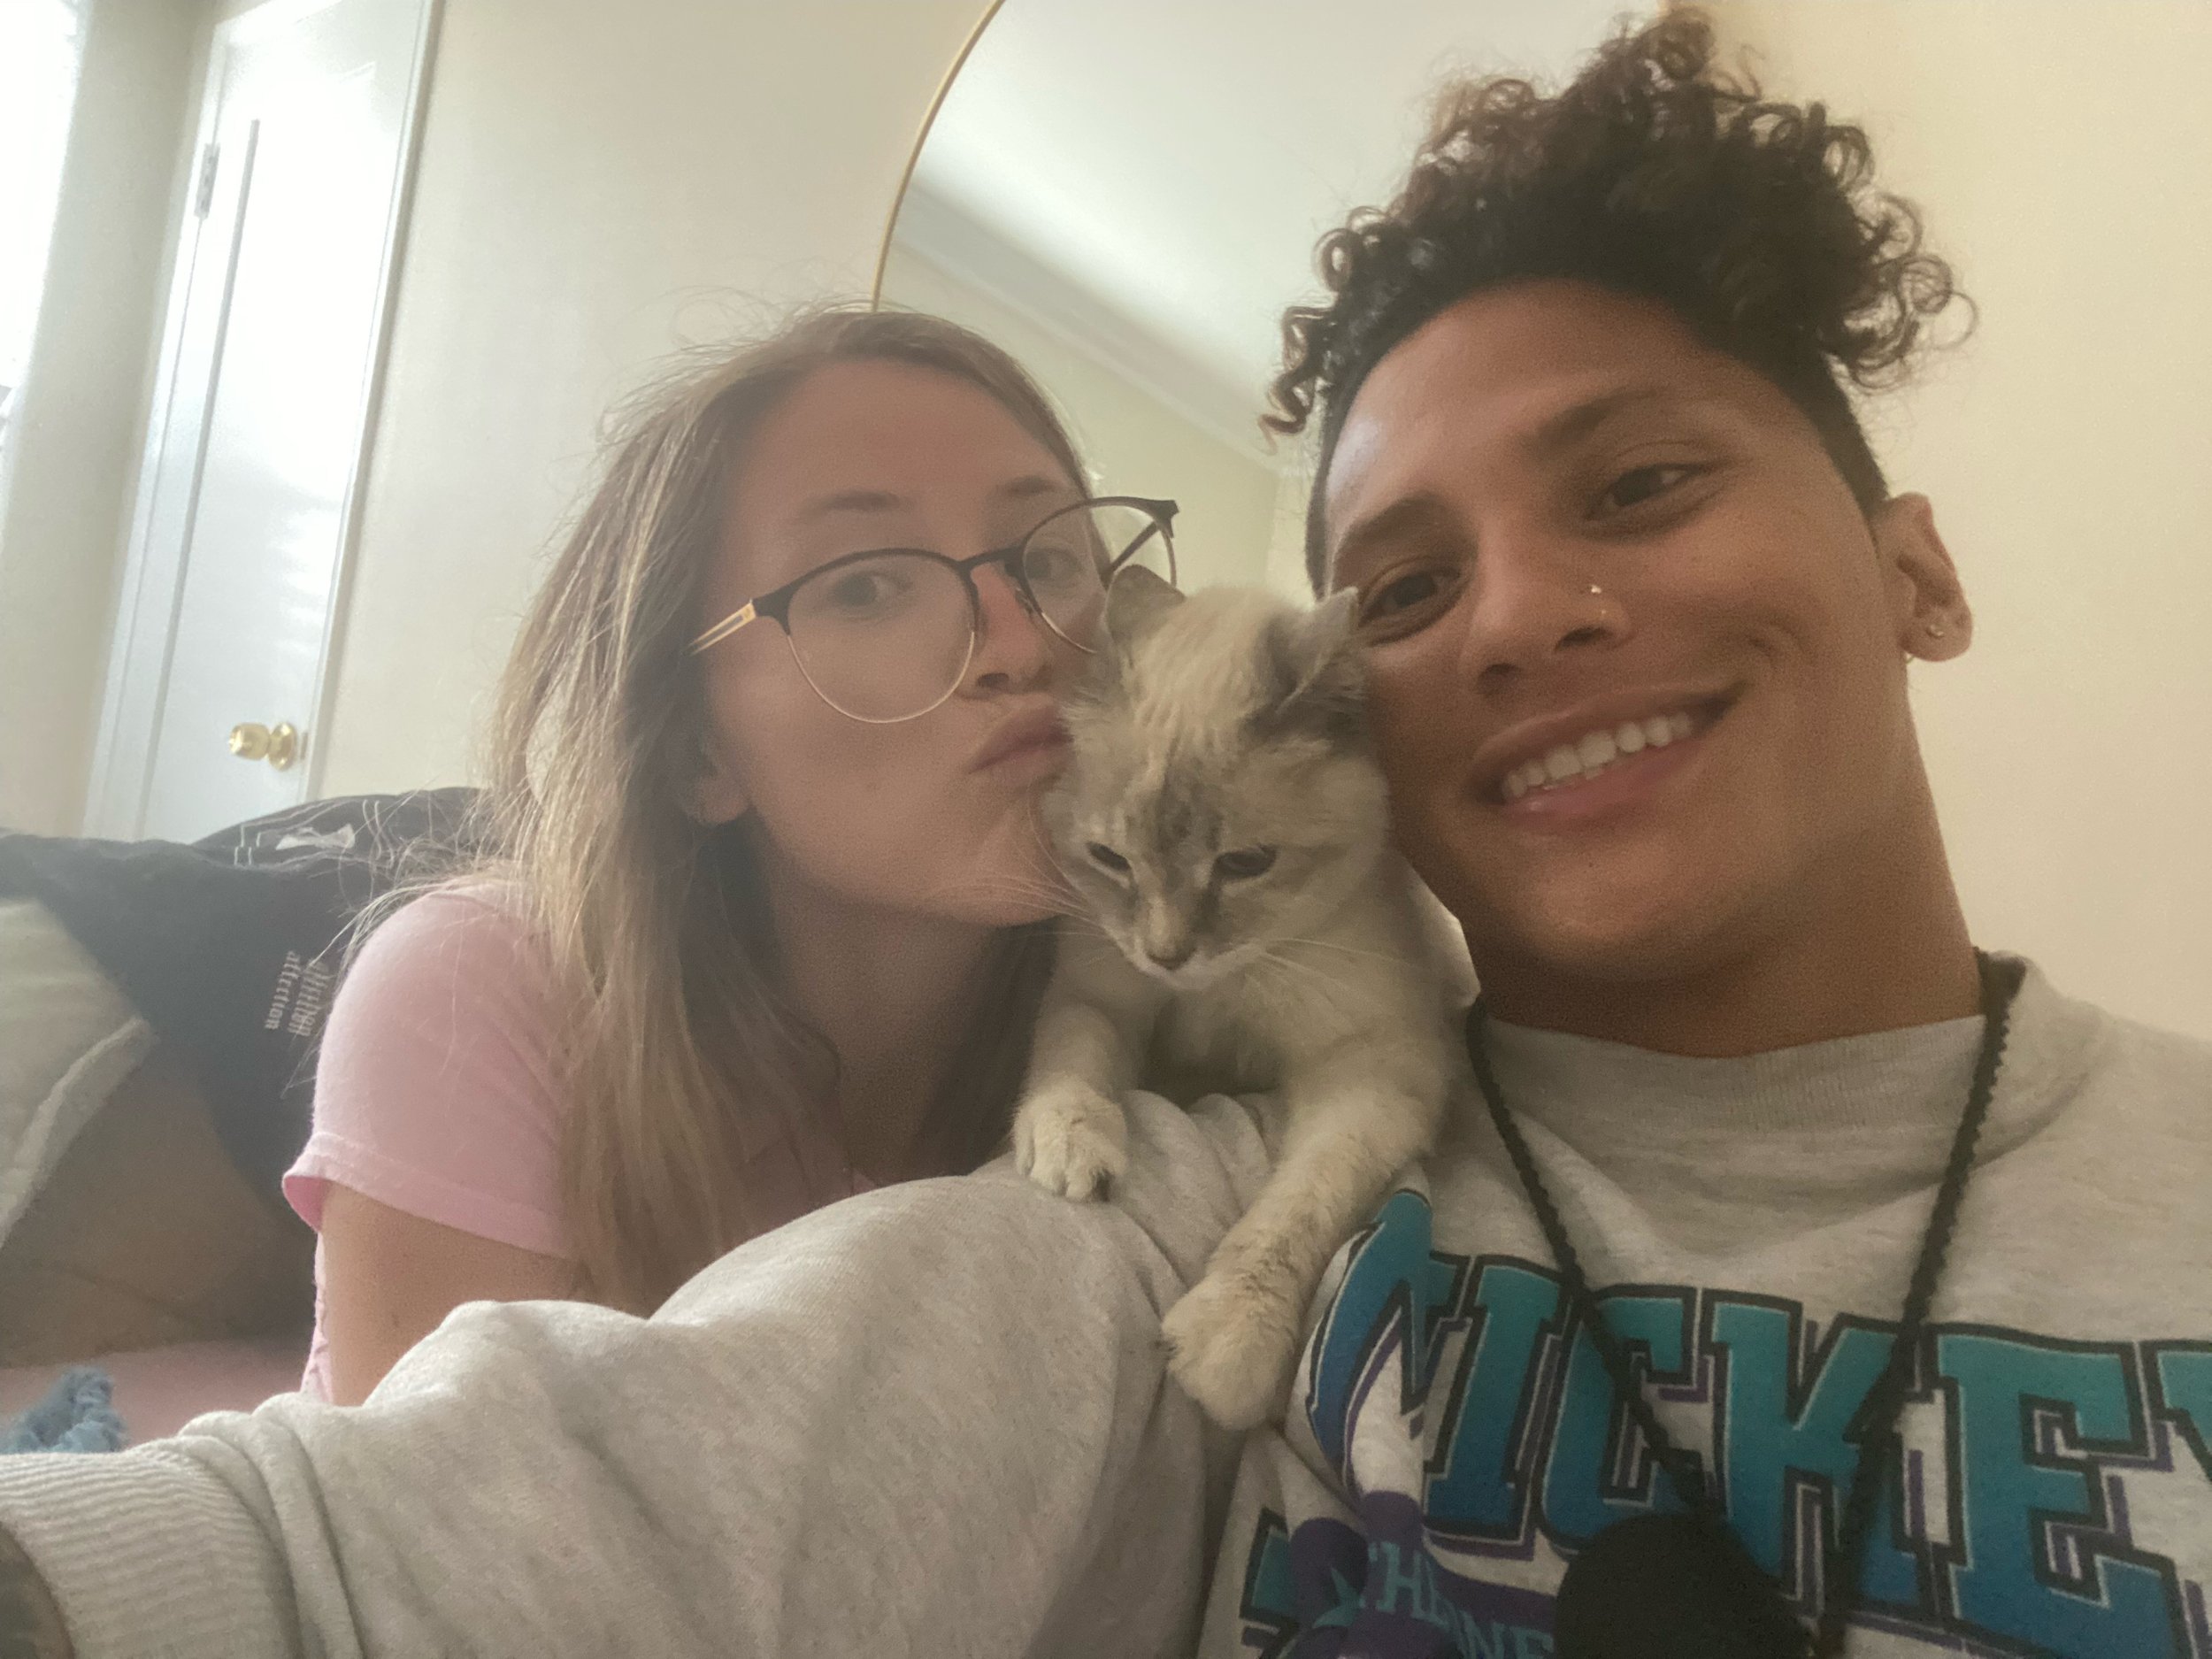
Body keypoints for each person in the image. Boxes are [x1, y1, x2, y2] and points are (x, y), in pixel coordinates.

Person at [3, 14, 2208, 1656]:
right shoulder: (1194, 1175)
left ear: (1917, 568)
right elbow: (464, 1520)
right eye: (1412, 587)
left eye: (1636, 484)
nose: (1528, 612)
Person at [284, 308, 1177, 1402]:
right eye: (864, 584)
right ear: (697, 751)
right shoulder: (487, 994)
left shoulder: (1180, 988)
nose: (1027, 642)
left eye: (1050, 556)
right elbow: (437, 1556)